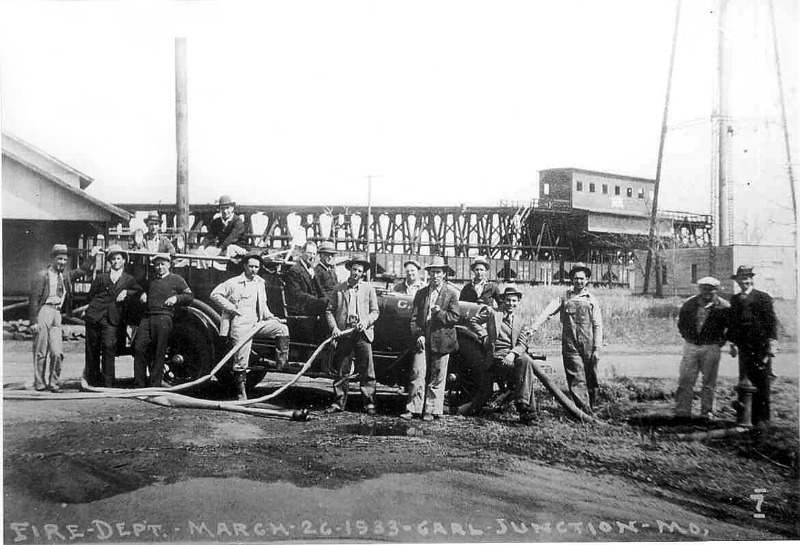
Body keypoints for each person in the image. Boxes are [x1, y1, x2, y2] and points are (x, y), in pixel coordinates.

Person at [210, 253, 290, 399]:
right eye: (251, 266)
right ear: (245, 266)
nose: (254, 269)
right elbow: (215, 294)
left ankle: (280, 363)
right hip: (241, 326)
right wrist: (231, 308)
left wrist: (272, 317)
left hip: (257, 323)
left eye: (256, 267)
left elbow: (263, 305)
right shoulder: (234, 282)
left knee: (282, 328)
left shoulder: (260, 282)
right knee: (241, 362)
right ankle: (241, 392)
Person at [531, 263, 603, 412]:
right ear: (572, 279)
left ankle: (593, 407)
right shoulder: (564, 297)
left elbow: (597, 325)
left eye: (582, 279)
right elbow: (547, 312)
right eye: (576, 278)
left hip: (588, 344)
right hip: (570, 344)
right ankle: (583, 412)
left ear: (587, 280)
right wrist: (533, 327)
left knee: (591, 377)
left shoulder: (591, 299)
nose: (579, 281)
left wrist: (597, 347)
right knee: (576, 377)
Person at [29, 244, 96, 392]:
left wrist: (92, 256)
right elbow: (33, 300)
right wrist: (33, 321)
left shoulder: (64, 276)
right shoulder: (43, 275)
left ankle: (54, 383)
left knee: (57, 352)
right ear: (52, 258)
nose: (62, 262)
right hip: (44, 311)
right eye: (59, 259)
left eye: (65, 260)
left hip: (57, 314)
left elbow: (82, 271)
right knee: (41, 351)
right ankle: (40, 383)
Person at [401, 256, 460, 421]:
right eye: (432, 272)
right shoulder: (421, 293)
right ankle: (413, 408)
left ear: (444, 274)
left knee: (437, 376)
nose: (435, 275)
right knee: (417, 373)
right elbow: (413, 319)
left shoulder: (451, 294)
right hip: (423, 338)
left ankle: (431, 410)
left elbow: (455, 317)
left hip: (442, 339)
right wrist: (418, 334)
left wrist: (439, 313)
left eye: (438, 272)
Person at [470, 286, 540, 424]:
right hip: (496, 357)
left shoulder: (521, 321)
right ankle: (527, 411)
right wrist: (484, 336)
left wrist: (513, 354)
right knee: (526, 367)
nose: (511, 304)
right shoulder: (492, 313)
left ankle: (523, 406)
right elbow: (473, 321)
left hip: (511, 356)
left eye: (514, 301)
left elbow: (522, 344)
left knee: (525, 362)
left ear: (518, 301)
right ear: (502, 301)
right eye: (508, 300)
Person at [324, 257, 380, 415]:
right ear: (350, 270)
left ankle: (368, 403)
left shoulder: (368, 289)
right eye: (354, 269)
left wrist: (366, 321)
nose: (356, 273)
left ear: (363, 274)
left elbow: (375, 311)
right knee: (342, 369)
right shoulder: (339, 289)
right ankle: (338, 402)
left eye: (360, 271)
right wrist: (334, 327)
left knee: (367, 370)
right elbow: (329, 310)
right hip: (344, 334)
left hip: (363, 334)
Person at [84, 245, 142, 387]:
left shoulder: (129, 279)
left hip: (112, 319)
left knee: (109, 347)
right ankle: (92, 382)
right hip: (94, 316)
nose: (116, 262)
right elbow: (91, 295)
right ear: (109, 262)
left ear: (123, 261)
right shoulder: (101, 277)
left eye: (118, 259)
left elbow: (139, 291)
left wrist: (127, 293)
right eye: (113, 259)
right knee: (93, 349)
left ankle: (108, 383)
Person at [674, 276, 731, 421]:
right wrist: (688, 337)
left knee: (709, 382)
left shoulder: (724, 306)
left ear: (716, 290)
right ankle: (682, 412)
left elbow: (729, 327)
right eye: (704, 288)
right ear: (699, 289)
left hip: (711, 347)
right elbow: (681, 324)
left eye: (711, 289)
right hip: (691, 345)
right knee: (686, 379)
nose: (707, 292)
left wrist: (720, 342)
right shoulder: (690, 304)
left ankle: (706, 413)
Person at [133, 253, 194, 388]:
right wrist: (142, 293)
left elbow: (189, 296)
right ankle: (139, 385)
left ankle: (155, 385)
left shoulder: (176, 279)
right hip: (147, 317)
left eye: (163, 264)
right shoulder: (151, 280)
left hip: (164, 317)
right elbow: (137, 286)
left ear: (169, 265)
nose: (160, 267)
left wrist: (176, 299)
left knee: (159, 352)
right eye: (157, 264)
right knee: (139, 348)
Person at [727, 266, 778, 427]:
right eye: (742, 279)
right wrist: (732, 343)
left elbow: (771, 321)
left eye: (748, 278)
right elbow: (733, 323)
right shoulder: (735, 299)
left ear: (752, 280)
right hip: (744, 347)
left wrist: (772, 343)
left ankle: (762, 418)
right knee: (745, 380)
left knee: (762, 381)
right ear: (737, 281)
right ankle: (745, 416)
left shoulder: (762, 297)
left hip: (761, 346)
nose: (745, 282)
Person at [284, 242, 329, 316]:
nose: (312, 257)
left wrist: (328, 300)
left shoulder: (312, 270)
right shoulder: (295, 270)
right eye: (309, 253)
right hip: (301, 307)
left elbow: (320, 290)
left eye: (314, 254)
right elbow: (296, 294)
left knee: (331, 303)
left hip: (313, 305)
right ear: (302, 252)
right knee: (325, 305)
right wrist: (317, 301)